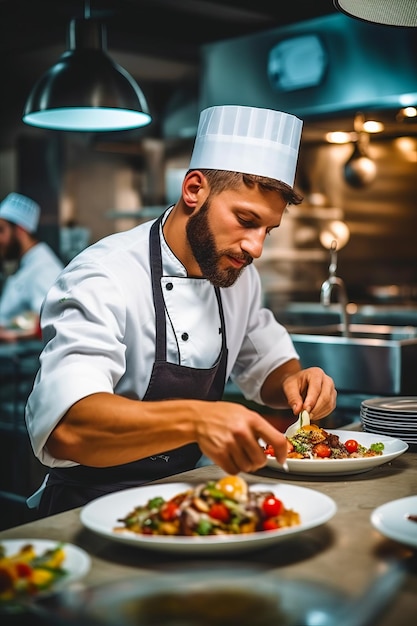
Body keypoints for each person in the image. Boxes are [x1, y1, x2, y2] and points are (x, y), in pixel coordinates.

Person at [25, 105, 337, 517]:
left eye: (267, 230)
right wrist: (196, 419)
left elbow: (269, 366)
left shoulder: (237, 274)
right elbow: (68, 427)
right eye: (245, 220)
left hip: (185, 503)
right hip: (87, 510)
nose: (256, 247)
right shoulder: (103, 275)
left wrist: (298, 383)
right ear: (194, 190)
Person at [0, 192, 64, 342]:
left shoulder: (43, 268)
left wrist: (11, 335)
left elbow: (53, 318)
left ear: (20, 230)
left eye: (2, 230)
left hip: (25, 362)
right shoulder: (28, 264)